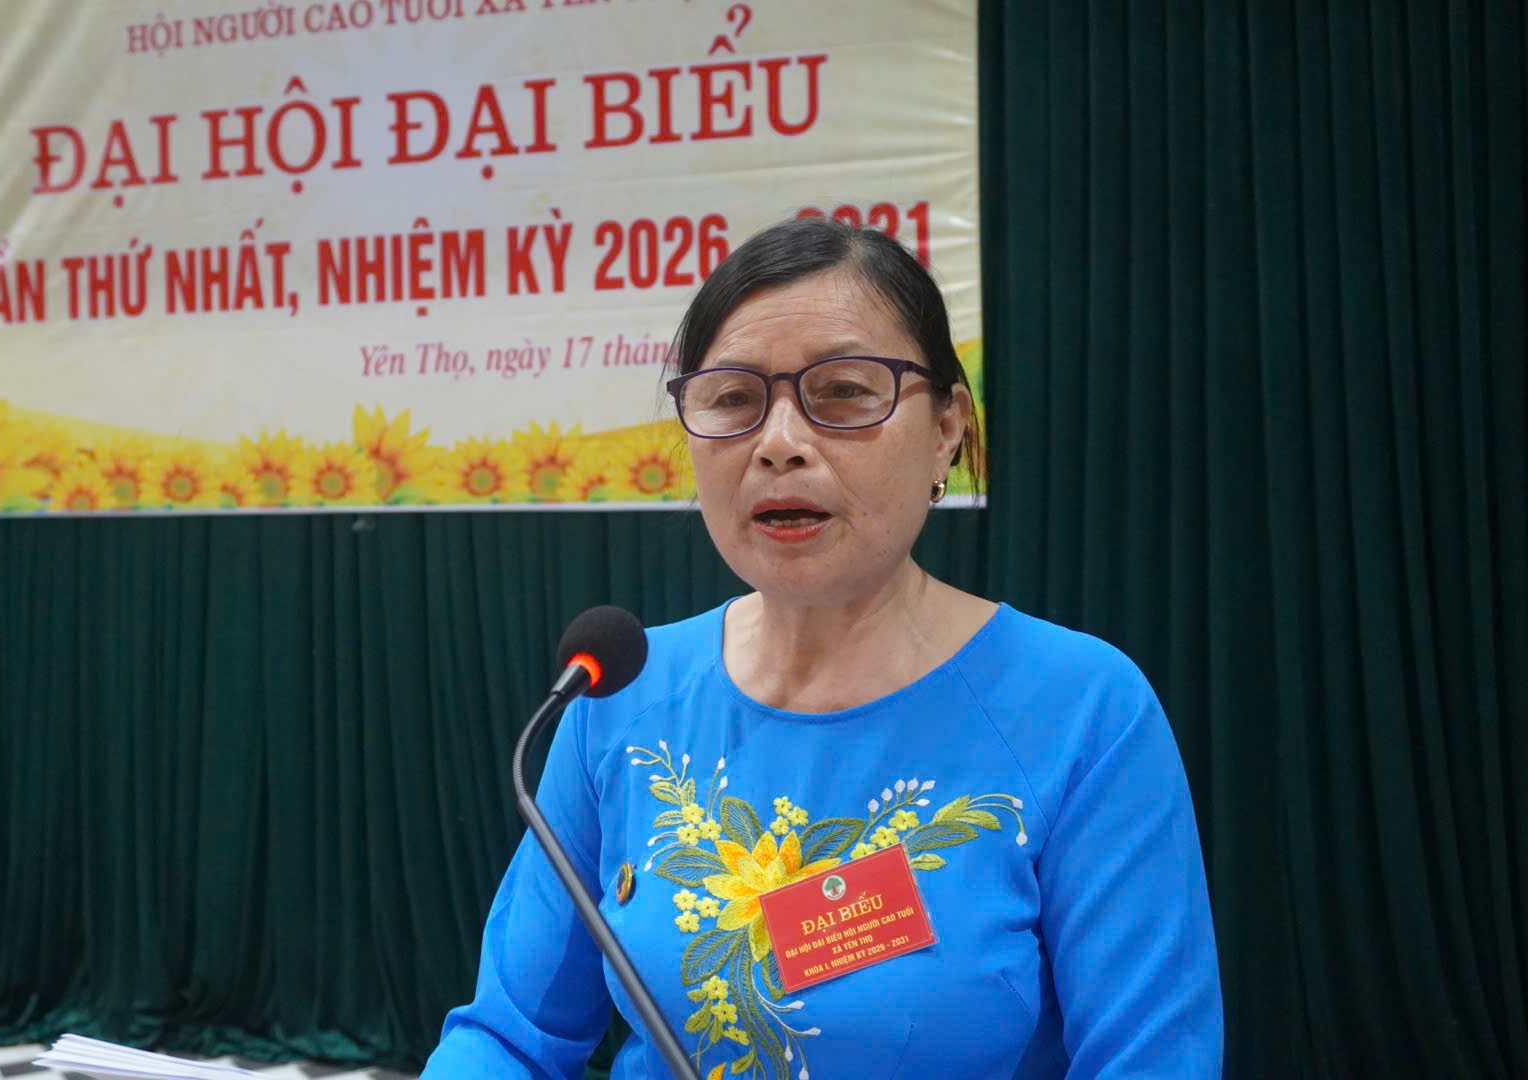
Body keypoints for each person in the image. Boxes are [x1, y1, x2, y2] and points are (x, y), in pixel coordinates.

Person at [424, 217, 1222, 1078]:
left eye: (842, 392)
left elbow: (1151, 1061)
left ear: (947, 429)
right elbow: (507, 1037)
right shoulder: (621, 696)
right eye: (733, 399)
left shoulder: (1081, 708)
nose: (778, 444)